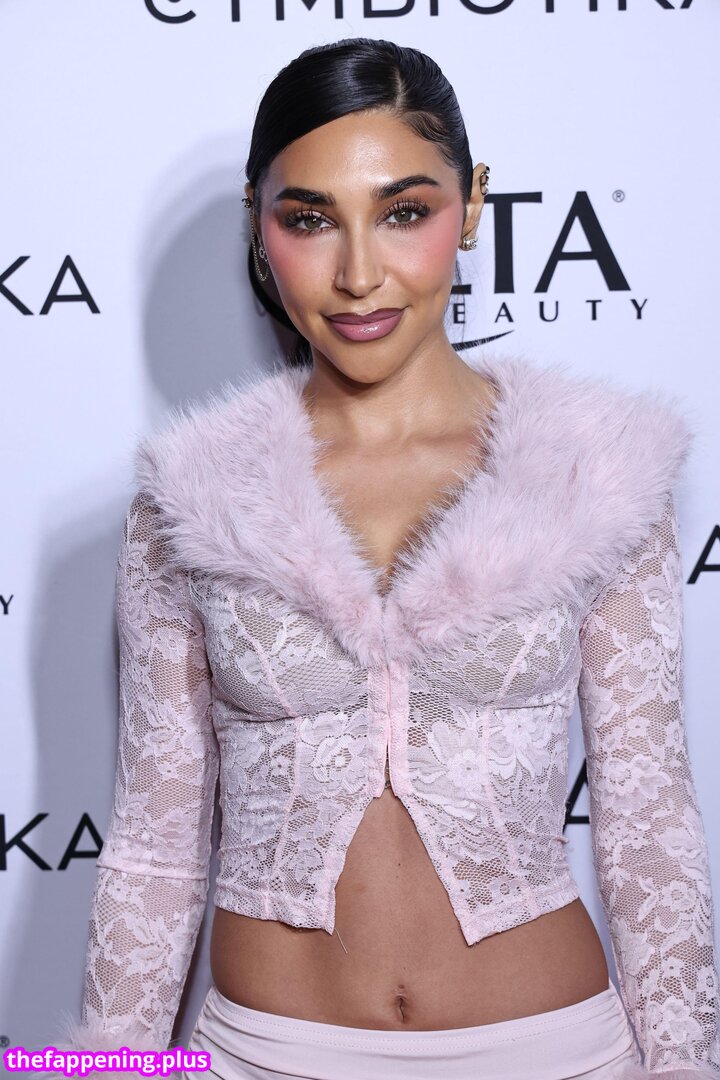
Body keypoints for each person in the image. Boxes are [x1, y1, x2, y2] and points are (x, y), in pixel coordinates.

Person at [49, 37, 720, 1080]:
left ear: (474, 203)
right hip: (258, 1054)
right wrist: (109, 1071)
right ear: (258, 224)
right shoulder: (189, 498)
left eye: (405, 212)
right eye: (310, 219)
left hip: (556, 1052)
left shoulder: (597, 472)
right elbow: (153, 849)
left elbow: (649, 829)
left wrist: (685, 1064)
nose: (359, 273)